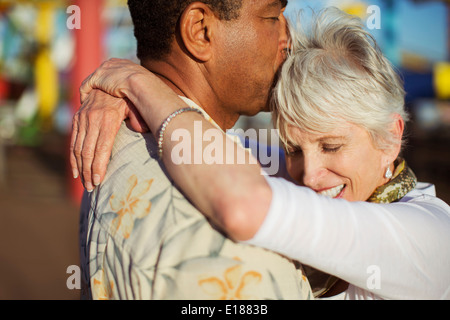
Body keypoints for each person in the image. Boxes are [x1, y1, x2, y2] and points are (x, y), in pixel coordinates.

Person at [72, 7, 450, 300]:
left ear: (390, 137)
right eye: (292, 149)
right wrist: (115, 90)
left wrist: (137, 83)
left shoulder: (429, 236)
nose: (309, 176)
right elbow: (208, 143)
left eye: (331, 146)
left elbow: (243, 203)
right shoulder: (319, 184)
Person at [75, 0, 314, 300]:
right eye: (272, 16)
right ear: (200, 31)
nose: (288, 37)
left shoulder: (110, 140)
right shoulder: (237, 255)